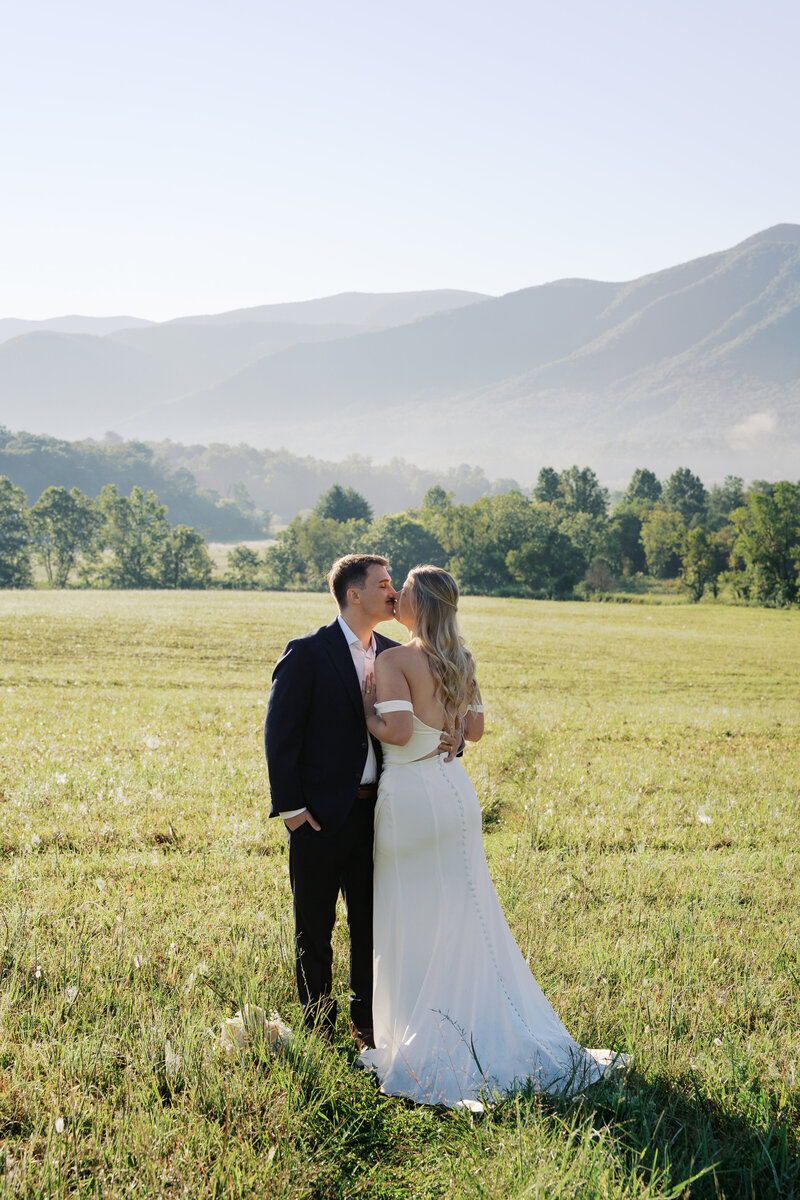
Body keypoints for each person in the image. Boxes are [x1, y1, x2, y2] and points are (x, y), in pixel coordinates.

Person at [358, 565, 626, 1106]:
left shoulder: (394, 660)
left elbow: (401, 730)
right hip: (456, 794)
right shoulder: (461, 659)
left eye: (402, 590)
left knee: (409, 912)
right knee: (465, 908)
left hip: (411, 799)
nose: (395, 596)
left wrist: (364, 708)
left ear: (420, 604)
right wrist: (451, 728)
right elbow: (474, 729)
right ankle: (479, 1019)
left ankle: (425, 1031)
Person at [264, 554, 458, 1047]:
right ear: (355, 594)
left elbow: (437, 714)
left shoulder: (397, 654)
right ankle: (319, 1028)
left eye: (394, 584)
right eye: (384, 584)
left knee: (372, 924)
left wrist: (454, 740)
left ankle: (367, 1024)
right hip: (318, 817)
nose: (394, 593)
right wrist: (291, 810)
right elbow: (280, 734)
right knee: (314, 925)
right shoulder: (308, 652)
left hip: (381, 812)